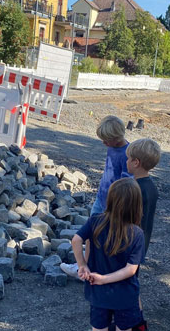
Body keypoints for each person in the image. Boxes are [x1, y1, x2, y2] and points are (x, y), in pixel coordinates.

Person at [72, 178, 146, 331]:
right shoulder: (137, 234)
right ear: (136, 205)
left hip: (98, 292)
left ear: (110, 200)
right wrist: (104, 279)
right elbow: (131, 270)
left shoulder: (95, 221)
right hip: (125, 295)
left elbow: (76, 240)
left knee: (98, 328)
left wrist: (82, 265)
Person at [61, 115, 129, 278]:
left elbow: (126, 184)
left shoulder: (128, 154)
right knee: (91, 234)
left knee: (104, 237)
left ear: (116, 137)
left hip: (113, 204)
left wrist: (115, 205)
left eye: (106, 141)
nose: (103, 144)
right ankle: (85, 266)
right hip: (101, 198)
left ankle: (96, 270)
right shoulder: (112, 146)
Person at [125, 138, 161, 256]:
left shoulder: (134, 189)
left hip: (128, 243)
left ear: (136, 162)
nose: (126, 162)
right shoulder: (151, 187)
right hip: (142, 242)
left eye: (128, 159)